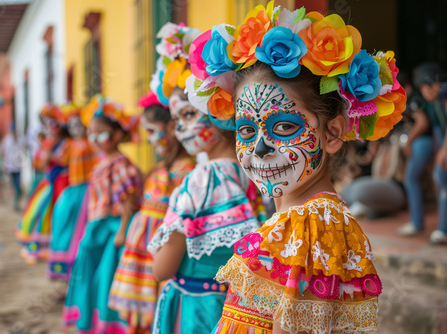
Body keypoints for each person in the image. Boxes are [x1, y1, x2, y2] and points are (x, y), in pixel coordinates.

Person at [186, 2, 406, 333]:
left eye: (284, 127)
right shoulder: (320, 221)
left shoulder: (305, 228)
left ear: (331, 133)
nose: (259, 149)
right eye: (247, 130)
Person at [146, 22, 265, 334]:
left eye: (188, 115)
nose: (180, 130)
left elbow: (163, 268)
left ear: (219, 111)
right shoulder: (257, 170)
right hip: (239, 307)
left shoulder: (200, 181)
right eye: (175, 120)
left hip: (197, 308)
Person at [108, 91, 195, 334]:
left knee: (155, 305)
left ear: (171, 127)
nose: (149, 138)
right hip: (143, 244)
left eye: (151, 130)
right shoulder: (162, 167)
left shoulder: (184, 170)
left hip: (160, 244)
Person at [62, 95, 142, 334]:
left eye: (102, 133)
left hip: (113, 229)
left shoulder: (121, 164)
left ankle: (109, 323)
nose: (95, 139)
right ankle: (92, 318)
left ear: (118, 135)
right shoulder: (102, 163)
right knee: (91, 274)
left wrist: (122, 230)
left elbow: (129, 200)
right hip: (97, 228)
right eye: (92, 134)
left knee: (107, 276)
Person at [397, 62, 447, 244]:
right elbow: (438, 128)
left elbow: (426, 123)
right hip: (437, 142)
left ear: (435, 82)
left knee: (440, 178)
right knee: (440, 178)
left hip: (429, 144)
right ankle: (440, 228)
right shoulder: (433, 102)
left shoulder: (443, 92)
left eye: (426, 86)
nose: (425, 91)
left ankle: (436, 227)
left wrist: (443, 150)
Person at [15, 105, 71, 264]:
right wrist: (47, 150)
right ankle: (39, 248)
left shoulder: (68, 143)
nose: (51, 126)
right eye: (47, 123)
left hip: (63, 182)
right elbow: (40, 164)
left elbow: (65, 160)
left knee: (58, 214)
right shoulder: (49, 142)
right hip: (49, 181)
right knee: (40, 213)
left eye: (54, 122)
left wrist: (50, 152)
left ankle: (57, 247)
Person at [47, 104, 98, 280]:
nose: (76, 129)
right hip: (73, 191)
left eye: (78, 125)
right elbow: (59, 158)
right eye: (72, 126)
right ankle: (67, 274)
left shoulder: (92, 143)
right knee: (65, 227)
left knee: (81, 231)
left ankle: (79, 273)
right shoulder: (69, 144)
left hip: (88, 190)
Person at [1, 123, 25, 211]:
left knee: (18, 185)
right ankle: (14, 202)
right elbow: (3, 153)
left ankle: (17, 202)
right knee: (12, 185)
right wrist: (3, 165)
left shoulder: (20, 140)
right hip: (9, 166)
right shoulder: (6, 140)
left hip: (18, 166)